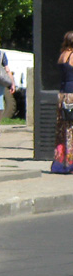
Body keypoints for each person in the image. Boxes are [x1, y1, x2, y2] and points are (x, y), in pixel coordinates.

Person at [51, 31, 73, 174]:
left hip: (62, 95)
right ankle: (70, 164)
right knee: (71, 131)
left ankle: (60, 163)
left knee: (61, 130)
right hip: (72, 95)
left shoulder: (62, 56)